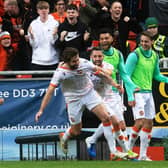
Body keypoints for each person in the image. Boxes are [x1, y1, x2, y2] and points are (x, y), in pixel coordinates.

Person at [35, 47, 120, 157]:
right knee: (76, 131)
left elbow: (101, 73)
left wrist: (114, 84)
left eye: (77, 59)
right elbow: (50, 91)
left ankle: (114, 152)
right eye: (74, 61)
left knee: (106, 118)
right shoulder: (60, 73)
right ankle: (64, 137)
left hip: (89, 93)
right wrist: (41, 110)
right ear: (66, 61)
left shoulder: (84, 63)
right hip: (73, 99)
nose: (77, 62)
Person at [86, 47, 138, 160]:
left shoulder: (108, 65)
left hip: (111, 96)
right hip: (97, 99)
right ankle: (123, 152)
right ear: (91, 57)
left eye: (99, 56)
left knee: (120, 125)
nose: (97, 58)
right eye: (95, 56)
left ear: (103, 57)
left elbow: (109, 73)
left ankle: (92, 140)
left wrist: (116, 85)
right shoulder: (86, 68)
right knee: (113, 122)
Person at [125, 31, 168, 161]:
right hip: (137, 93)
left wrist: (167, 80)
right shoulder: (134, 55)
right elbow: (125, 76)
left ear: (152, 42)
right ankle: (128, 151)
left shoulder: (154, 55)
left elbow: (157, 75)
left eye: (146, 41)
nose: (143, 43)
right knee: (140, 122)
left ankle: (143, 155)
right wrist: (130, 96)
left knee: (149, 123)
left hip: (148, 93)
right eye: (142, 41)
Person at [28, 1, 59, 70]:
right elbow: (34, 45)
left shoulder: (55, 23)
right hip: (37, 61)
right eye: (41, 9)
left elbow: (55, 43)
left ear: (48, 10)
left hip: (53, 61)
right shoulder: (33, 24)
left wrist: (54, 35)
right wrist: (32, 37)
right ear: (37, 11)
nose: (43, 10)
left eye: (45, 8)